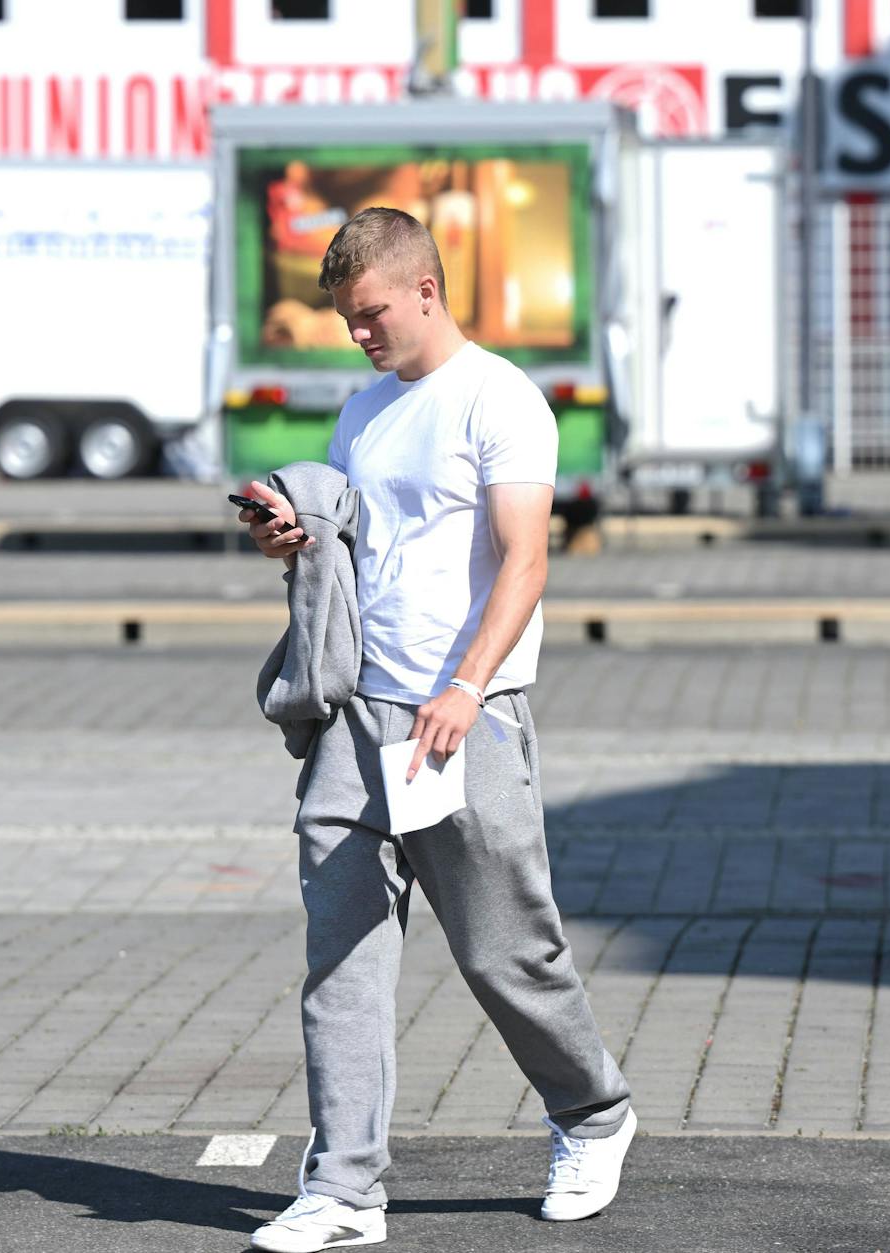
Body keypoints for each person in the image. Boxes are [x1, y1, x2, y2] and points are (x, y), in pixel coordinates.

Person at [236, 207, 635, 1253]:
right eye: (343, 319)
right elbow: (355, 554)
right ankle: (344, 1188)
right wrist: (296, 540)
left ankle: (593, 1113)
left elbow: (524, 559)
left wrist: (465, 683)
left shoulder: (499, 398)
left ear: (423, 288)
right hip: (354, 716)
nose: (357, 333)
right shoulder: (361, 414)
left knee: (507, 953)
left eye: (369, 313)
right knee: (342, 963)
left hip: (462, 715)